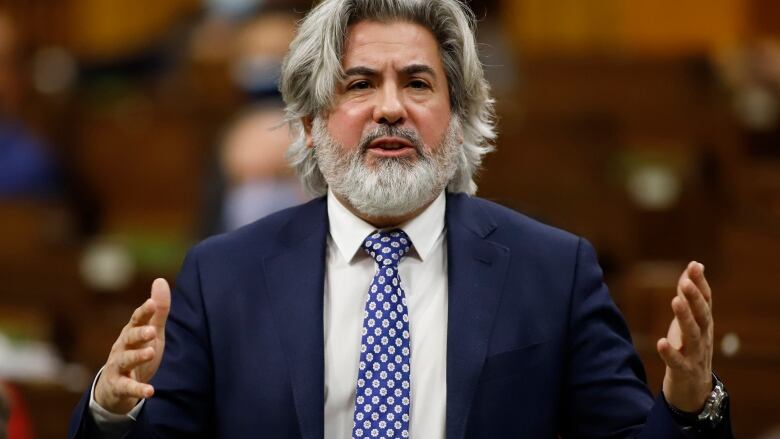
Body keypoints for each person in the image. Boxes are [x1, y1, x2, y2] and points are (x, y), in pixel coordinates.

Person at [69, 0, 734, 438]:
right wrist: (111, 406)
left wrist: (687, 402)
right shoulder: (223, 277)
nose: (391, 108)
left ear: (460, 118)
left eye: (417, 83)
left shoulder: (552, 271)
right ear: (308, 122)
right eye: (359, 84)